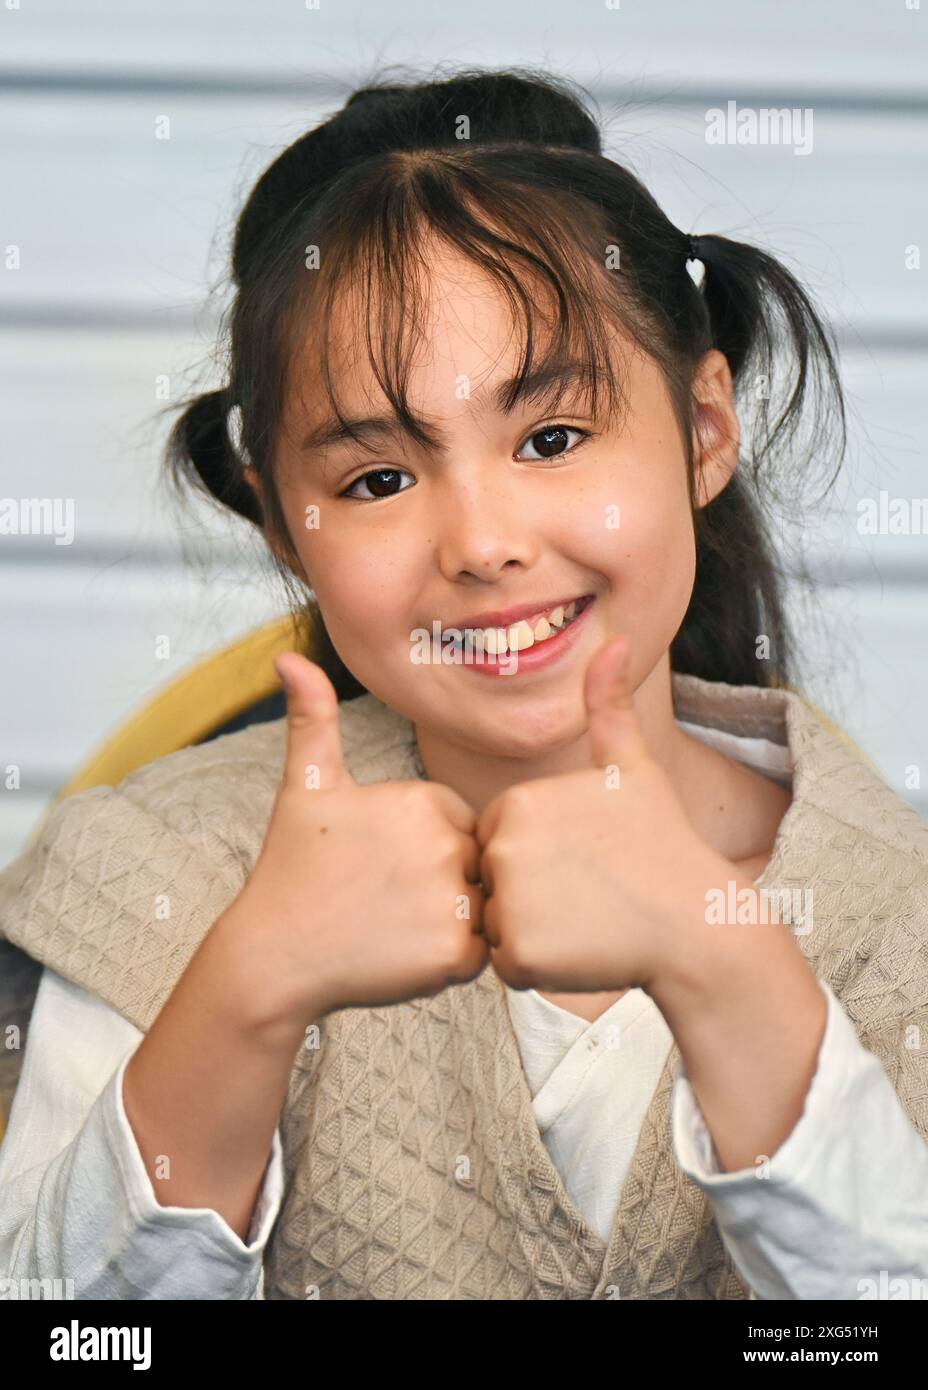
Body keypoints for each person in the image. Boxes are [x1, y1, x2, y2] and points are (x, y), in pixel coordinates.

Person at [1, 68, 927, 1302]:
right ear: (284, 527)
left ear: (704, 430)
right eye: (379, 478)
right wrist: (249, 985)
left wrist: (725, 965)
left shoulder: (896, 912)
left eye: (552, 438)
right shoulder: (157, 874)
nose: (483, 543)